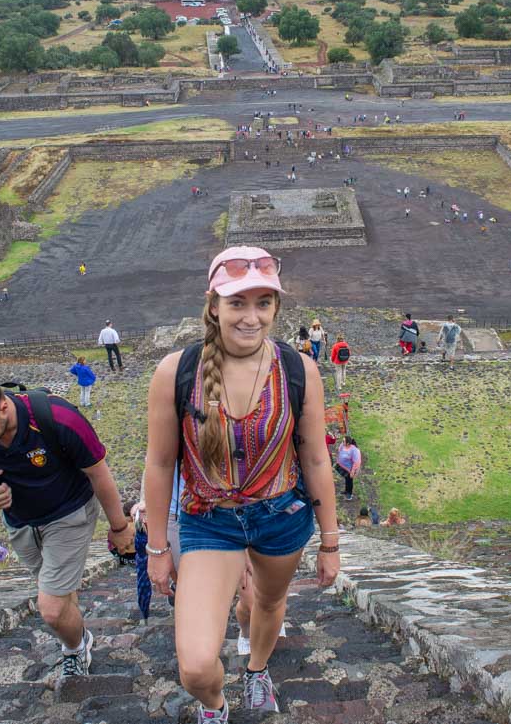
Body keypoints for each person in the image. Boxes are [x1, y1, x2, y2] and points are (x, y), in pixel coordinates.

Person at [142, 246, 341, 722]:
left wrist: (330, 542)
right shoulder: (176, 372)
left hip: (280, 516)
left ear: (276, 307)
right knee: (195, 667)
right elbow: (160, 463)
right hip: (210, 521)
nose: (252, 317)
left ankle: (256, 669)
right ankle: (215, 705)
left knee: (267, 603)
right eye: (237, 303)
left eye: (263, 303)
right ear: (214, 305)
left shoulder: (298, 370)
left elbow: (315, 457)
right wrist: (156, 548)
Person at [0, 370, 135, 679]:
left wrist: (119, 528)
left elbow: (98, 473)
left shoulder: (59, 419)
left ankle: (76, 647)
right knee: (58, 592)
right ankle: (74, 632)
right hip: (19, 520)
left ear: (3, 407)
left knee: (51, 607)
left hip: (69, 512)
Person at [335, 436, 361, 501]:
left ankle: (349, 494)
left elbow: (356, 462)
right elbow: (339, 451)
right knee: (346, 479)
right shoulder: (343, 445)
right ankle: (346, 491)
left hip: (350, 469)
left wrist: (352, 471)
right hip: (343, 467)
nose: (342, 442)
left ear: (348, 443)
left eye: (343, 441)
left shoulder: (353, 450)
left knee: (349, 481)